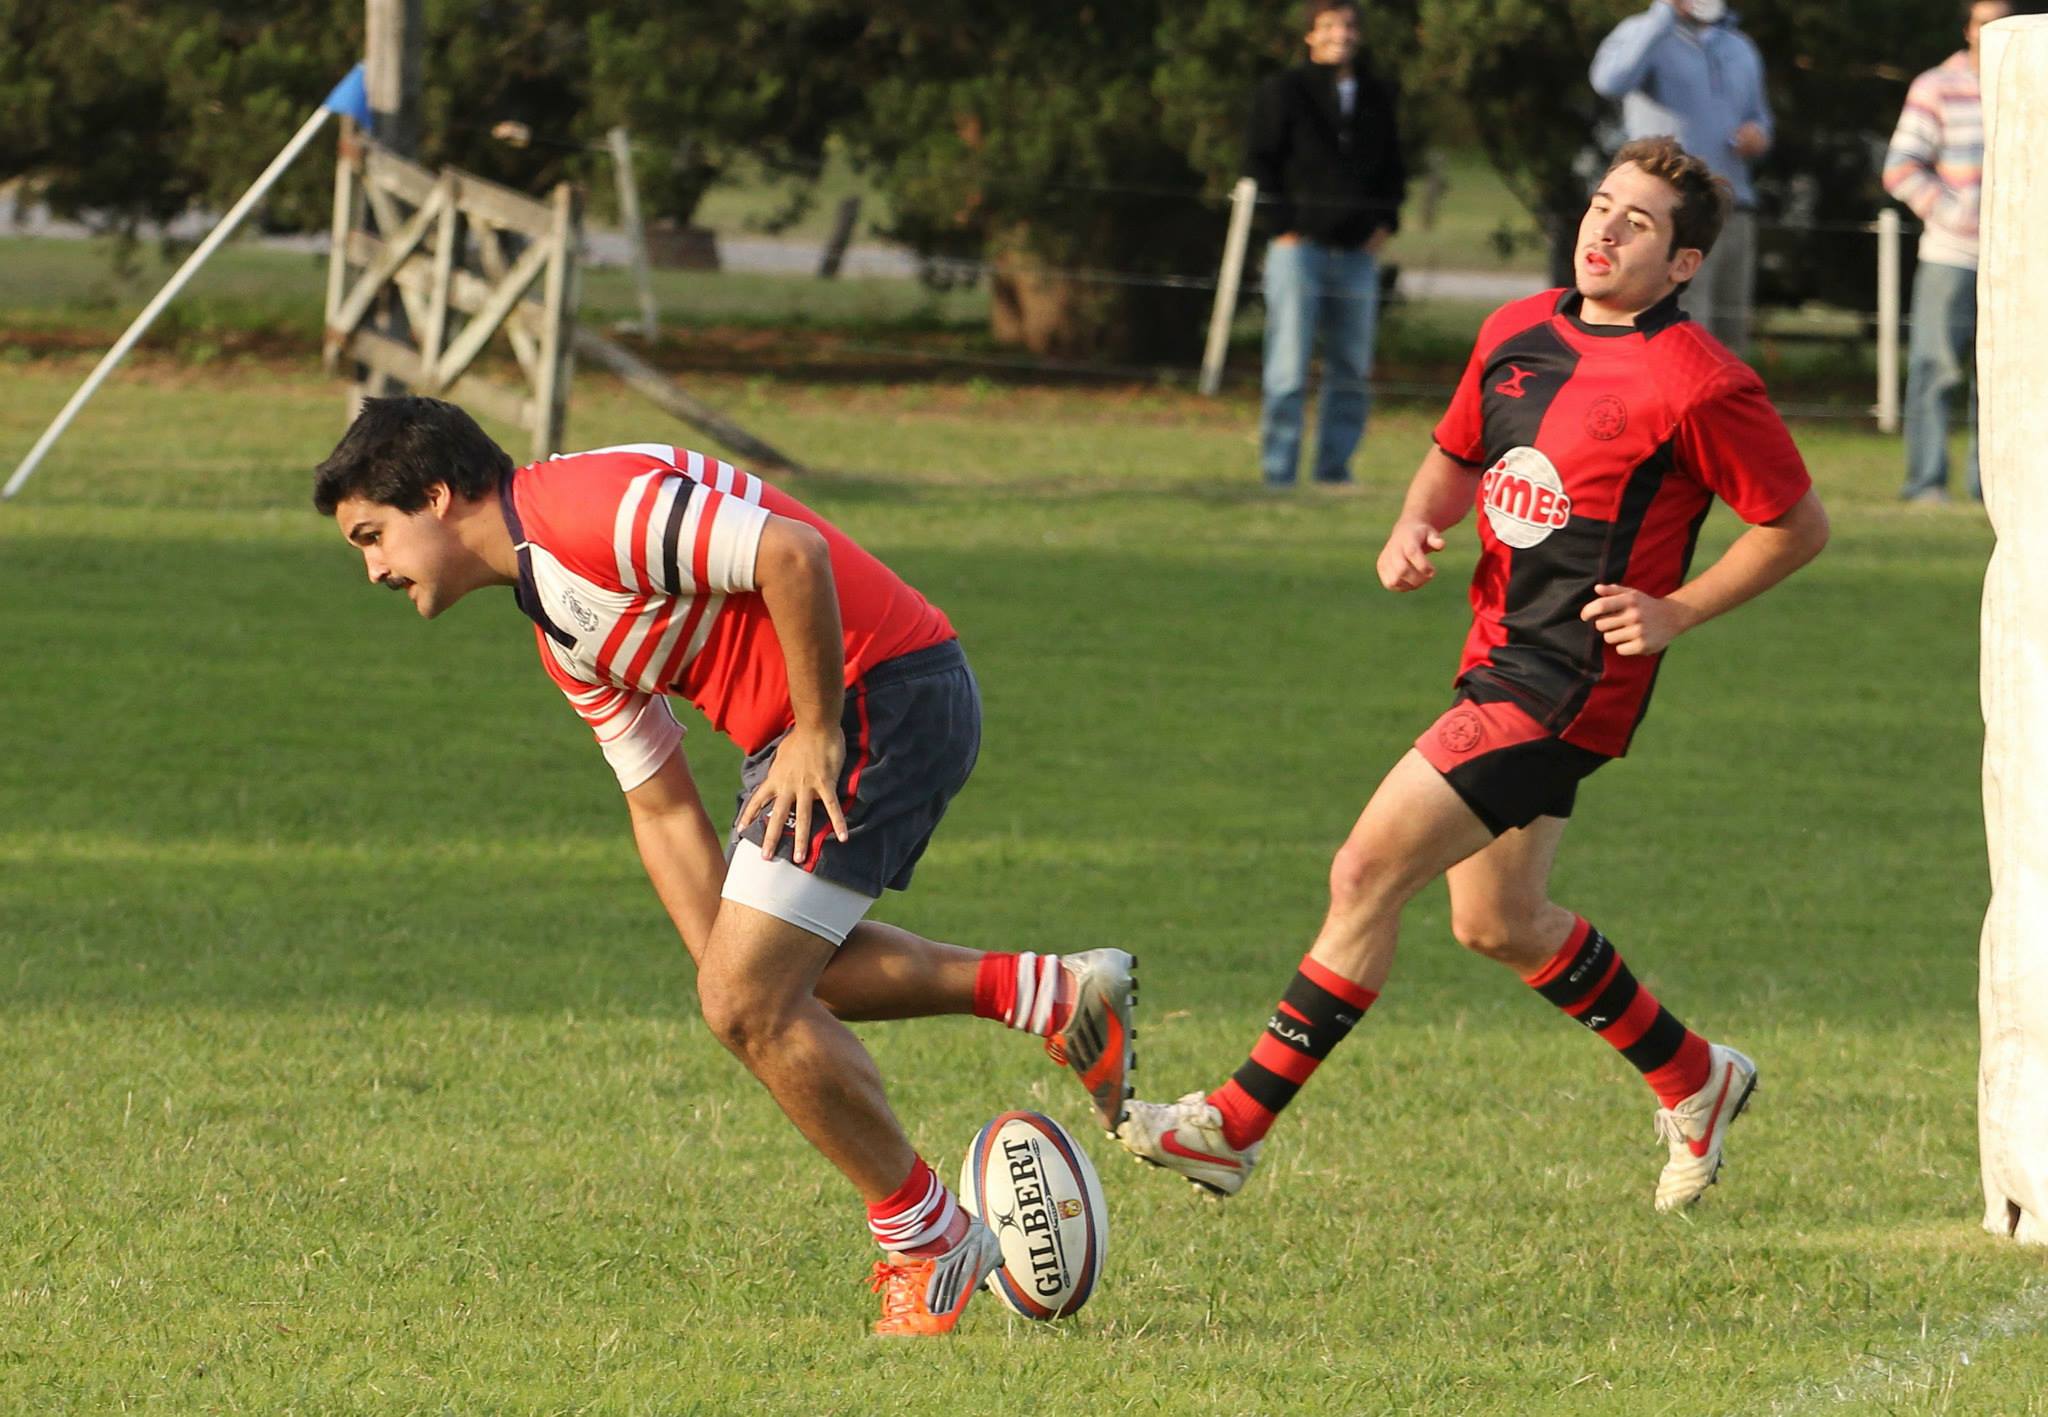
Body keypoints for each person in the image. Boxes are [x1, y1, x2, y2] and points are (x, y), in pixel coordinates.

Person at [311, 405, 1137, 1335]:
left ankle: (929, 1239)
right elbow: (660, 805)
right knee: (757, 987)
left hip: (875, 693)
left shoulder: (584, 508)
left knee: (751, 998)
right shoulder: (559, 627)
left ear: (435, 496)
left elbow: (792, 553)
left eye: (373, 536)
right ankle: (1056, 995)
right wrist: (718, 958)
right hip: (825, 719)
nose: (374, 569)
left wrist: (817, 732)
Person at [1118, 137, 1829, 1213]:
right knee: (1496, 919)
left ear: (1682, 264)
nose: (1604, 229)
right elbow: (1456, 455)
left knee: (1364, 871)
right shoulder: (1515, 332)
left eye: (1637, 222)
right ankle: (1695, 1075)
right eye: (1600, 205)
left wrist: (1676, 609)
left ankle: (1231, 1126)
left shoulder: (1699, 382)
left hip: (1566, 683)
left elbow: (1795, 525)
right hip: (1493, 660)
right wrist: (1414, 522)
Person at [1245, 0, 1407, 488]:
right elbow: (1260, 161)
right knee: (1288, 366)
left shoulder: (1377, 95)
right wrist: (1283, 226)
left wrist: (1384, 223)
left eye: (1349, 25)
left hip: (1357, 253)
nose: (1341, 34)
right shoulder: (1284, 91)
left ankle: (1334, 471)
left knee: (1352, 367)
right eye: (1330, 25)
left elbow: (1393, 166)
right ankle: (1279, 472)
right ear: (1311, 35)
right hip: (1300, 249)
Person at [1884, 0, 2013, 504]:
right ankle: (1926, 483)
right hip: (1951, 253)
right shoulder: (1936, 85)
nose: (1991, 31)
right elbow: (1900, 166)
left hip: (2014, 260)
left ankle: (1992, 489)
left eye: (2001, 22)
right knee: (1935, 369)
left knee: (2002, 378)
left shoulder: (2028, 85)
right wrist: (1952, 212)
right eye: (1984, 22)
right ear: (1968, 29)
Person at [1591, 0, 1773, 354]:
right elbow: (1609, 81)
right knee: (1683, 326)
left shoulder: (1740, 46)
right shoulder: (1640, 32)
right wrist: (1664, 15)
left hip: (1734, 208)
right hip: (1668, 210)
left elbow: (1761, 119)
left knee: (1730, 332)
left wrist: (1758, 135)